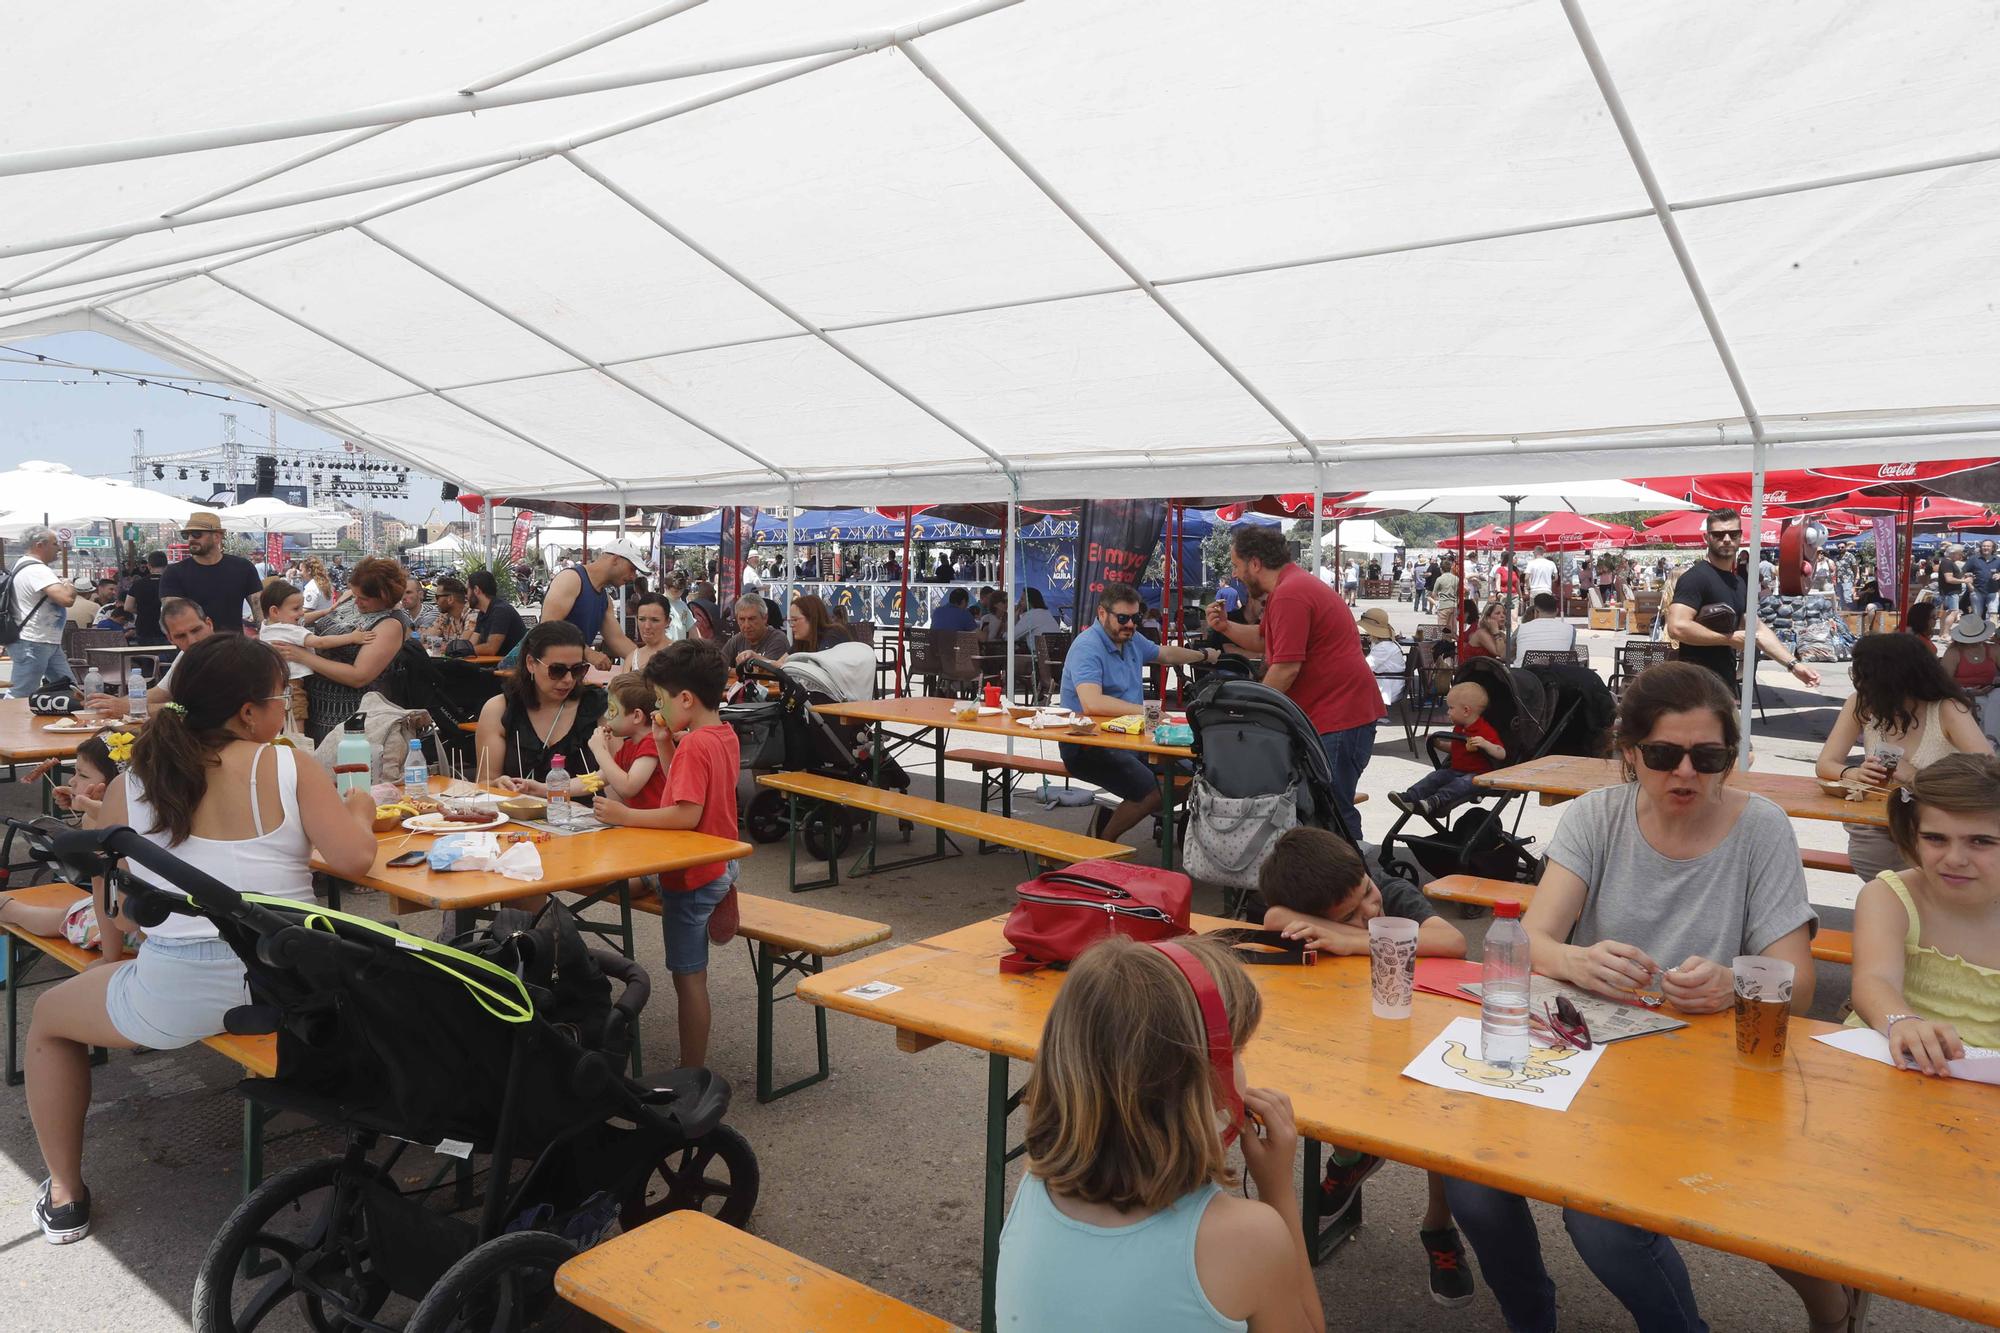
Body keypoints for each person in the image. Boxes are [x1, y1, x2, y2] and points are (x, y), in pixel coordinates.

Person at [1444, 661, 1839, 1333]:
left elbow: (1796, 983)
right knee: (1471, 1183)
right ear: (1629, 753)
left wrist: (1735, 984)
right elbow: (1529, 939)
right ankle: (1530, 1315)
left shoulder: (1761, 827)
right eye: (1662, 754)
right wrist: (1579, 958)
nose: (1685, 772)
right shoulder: (1599, 814)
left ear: (1731, 757)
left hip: (1703, 1074)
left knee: (1604, 1224)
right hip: (1592, 1053)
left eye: (1708, 756)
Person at [19, 634, 377, 1243]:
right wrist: (362, 808)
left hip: (180, 989)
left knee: (50, 1017)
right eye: (278, 697)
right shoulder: (288, 762)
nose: (285, 707)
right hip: (299, 983)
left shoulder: (134, 779)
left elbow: (126, 911)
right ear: (247, 712)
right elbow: (355, 858)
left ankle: (65, 1195)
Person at [993, 935, 1324, 1333]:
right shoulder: (1249, 1236)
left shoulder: (1034, 1185)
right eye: (1238, 1051)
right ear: (1201, 1084)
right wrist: (1278, 1191)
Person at [1255, 827, 1475, 1306]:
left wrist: (1352, 938)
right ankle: (1352, 1157)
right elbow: (1272, 916)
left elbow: (1452, 940)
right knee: (1316, 1072)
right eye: (1348, 916)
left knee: (1436, 1112)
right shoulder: (1313, 903)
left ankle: (1437, 1226)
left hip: (1415, 1026)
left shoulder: (1384, 888)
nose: (1370, 911)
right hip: (1345, 1036)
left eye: (1366, 897)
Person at [593, 641, 741, 1071]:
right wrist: (663, 744)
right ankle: (726, 886)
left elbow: (686, 814)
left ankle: (690, 1071)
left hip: (691, 873)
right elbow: (689, 786)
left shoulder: (695, 744)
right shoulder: (720, 734)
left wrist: (625, 815)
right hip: (716, 857)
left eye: (660, 701)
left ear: (686, 700)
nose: (657, 709)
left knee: (689, 978)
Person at [1204, 525, 1384, 840]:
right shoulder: (1290, 587)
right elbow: (1265, 640)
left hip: (1338, 718)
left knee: (1332, 813)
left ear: (1255, 564)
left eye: (1236, 565)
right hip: (1336, 717)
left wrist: (1250, 715)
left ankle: (1353, 882)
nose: (1235, 575)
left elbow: (1286, 668)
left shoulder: (1290, 594)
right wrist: (1225, 626)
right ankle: (1343, 881)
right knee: (1325, 810)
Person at [1846, 753, 2000, 1074]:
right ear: (1911, 834)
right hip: (1891, 1063)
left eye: (1981, 841)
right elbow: (1874, 979)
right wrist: (1901, 1020)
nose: (1955, 858)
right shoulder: (1890, 896)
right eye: (1935, 838)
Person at [1815, 631, 1993, 882]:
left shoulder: (1947, 709)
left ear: (1892, 678)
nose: (1859, 682)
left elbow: (1988, 773)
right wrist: (1854, 773)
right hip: (1880, 825)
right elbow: (1825, 764)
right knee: (1879, 864)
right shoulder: (1861, 704)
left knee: (1906, 885)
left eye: (1865, 675)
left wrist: (1916, 777)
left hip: (1938, 827)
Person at [1061, 582, 1220, 841]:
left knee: (1194, 775)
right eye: (1123, 618)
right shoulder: (1087, 646)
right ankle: (1100, 843)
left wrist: (1203, 655)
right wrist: (1146, 712)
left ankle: (1109, 822)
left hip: (1129, 739)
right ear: (1102, 614)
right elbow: (1092, 703)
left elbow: (1164, 653)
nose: (1131, 624)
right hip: (1086, 744)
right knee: (1151, 793)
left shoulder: (1131, 639)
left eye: (1135, 617)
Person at [1667, 508, 1823, 692]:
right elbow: (1677, 626)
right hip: (1695, 687)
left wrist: (1793, 664)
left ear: (1741, 537)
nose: (1726, 539)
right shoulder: (1695, 578)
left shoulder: (1738, 582)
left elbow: (1757, 630)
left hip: (1724, 683)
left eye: (1733, 534)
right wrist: (1729, 639)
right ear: (1706, 538)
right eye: (1718, 534)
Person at [279, 557, 412, 742]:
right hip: (315, 706)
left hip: (350, 717)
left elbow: (359, 676)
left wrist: (303, 657)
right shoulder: (351, 597)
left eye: (363, 598)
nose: (357, 601)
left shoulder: (390, 624)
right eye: (355, 595)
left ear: (384, 596)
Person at [481, 621, 609, 788]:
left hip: (586, 811)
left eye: (578, 669)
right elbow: (484, 783)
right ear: (531, 663)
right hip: (517, 810)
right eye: (557, 670)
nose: (568, 679)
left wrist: (553, 790)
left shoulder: (598, 707)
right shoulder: (499, 709)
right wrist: (498, 784)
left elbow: (612, 775)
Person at [257, 580, 377, 737]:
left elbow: (304, 619)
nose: (301, 613)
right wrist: (353, 637)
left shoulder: (267, 626)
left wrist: (326, 611)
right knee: (296, 729)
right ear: (275, 611)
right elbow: (320, 642)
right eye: (296, 609)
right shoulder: (291, 630)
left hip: (272, 686)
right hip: (292, 687)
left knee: (279, 730)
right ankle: (299, 755)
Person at [1390, 681, 1506, 818]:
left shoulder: (1484, 730)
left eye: (1451, 708)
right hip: (1455, 770)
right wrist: (1438, 744)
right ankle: (1410, 796)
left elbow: (1501, 753)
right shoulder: (1459, 727)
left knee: (1461, 784)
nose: (1448, 712)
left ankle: (1435, 801)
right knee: (1436, 776)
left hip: (1478, 776)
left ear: (1466, 711)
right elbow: (1455, 748)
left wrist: (1486, 744)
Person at [540, 540, 649, 670]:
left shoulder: (605, 599)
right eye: (632, 569)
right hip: (546, 672)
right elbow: (547, 629)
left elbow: (618, 640)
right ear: (616, 559)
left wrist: (652, 665)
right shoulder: (571, 579)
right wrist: (588, 653)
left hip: (568, 673)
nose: (633, 577)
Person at [6, 528, 81, 697]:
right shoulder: (37, 570)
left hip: (42, 640)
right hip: (33, 641)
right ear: (39, 545)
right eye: (55, 544)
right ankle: (7, 722)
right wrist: (69, 584)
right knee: (22, 692)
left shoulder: (20, 565)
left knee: (69, 689)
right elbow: (66, 599)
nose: (59, 548)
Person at [160, 511, 262, 633]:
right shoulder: (174, 572)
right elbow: (173, 617)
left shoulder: (243, 567)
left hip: (234, 647)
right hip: (195, 648)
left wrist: (265, 639)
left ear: (217, 537)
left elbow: (258, 607)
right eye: (187, 535)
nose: (191, 539)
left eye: (197, 534)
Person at [586, 672, 668, 809]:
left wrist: (600, 751)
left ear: (637, 716)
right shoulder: (628, 746)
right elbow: (598, 779)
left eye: (611, 710)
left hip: (660, 826)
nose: (606, 715)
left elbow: (628, 787)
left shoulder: (652, 742)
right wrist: (545, 788)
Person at [1940, 614, 2000, 741]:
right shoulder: (1954, 653)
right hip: (1962, 692)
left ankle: (1991, 740)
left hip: (1991, 691)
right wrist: (1968, 692)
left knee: (1997, 697)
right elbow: (1943, 683)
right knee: (1986, 706)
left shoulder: (1993, 650)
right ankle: (1991, 741)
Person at [467, 569, 527, 658]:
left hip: (508, 667)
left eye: (467, 590)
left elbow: (491, 649)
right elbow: (471, 643)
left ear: (476, 590)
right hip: (492, 665)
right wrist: (461, 650)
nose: (466, 595)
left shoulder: (501, 611)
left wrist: (462, 650)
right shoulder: (483, 613)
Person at [720, 593, 790, 666]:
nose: (746, 625)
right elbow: (718, 666)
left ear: (765, 618)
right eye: (742, 619)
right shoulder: (737, 640)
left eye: (751, 619)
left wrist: (730, 670)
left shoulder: (777, 639)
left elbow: (767, 672)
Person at [1510, 592, 1578, 664]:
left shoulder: (1521, 628)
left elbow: (1507, 653)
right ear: (1557, 611)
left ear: (1536, 612)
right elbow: (1570, 655)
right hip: (1558, 673)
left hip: (1526, 673)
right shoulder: (1570, 629)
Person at [1358, 607, 1406, 706]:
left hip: (1388, 686)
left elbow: (1365, 668)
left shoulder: (1384, 647)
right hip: (1389, 682)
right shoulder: (1385, 643)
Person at [124, 550, 167, 645]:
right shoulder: (170, 583)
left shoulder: (138, 584)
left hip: (144, 629)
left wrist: (142, 610)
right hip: (166, 628)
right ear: (166, 566)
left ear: (149, 566)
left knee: (147, 657)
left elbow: (127, 606)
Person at [784, 593, 849, 656]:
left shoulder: (833, 635)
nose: (791, 625)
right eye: (790, 621)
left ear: (812, 618)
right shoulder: (803, 641)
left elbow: (823, 665)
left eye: (795, 620)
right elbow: (780, 663)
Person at [627, 593, 673, 675]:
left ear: (667, 621)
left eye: (655, 620)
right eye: (642, 619)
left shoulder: (680, 655)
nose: (647, 626)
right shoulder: (632, 658)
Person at [1964, 538, 2000, 620]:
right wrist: (1970, 587)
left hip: (1993, 592)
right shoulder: (1974, 559)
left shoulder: (1998, 560)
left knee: (1993, 614)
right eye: (1984, 546)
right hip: (1977, 591)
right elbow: (1964, 573)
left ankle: (1992, 632)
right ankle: (1978, 632)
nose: (1985, 548)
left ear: (1993, 548)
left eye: (1988, 546)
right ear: (1981, 547)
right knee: (1977, 615)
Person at [298, 556, 339, 627]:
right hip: (327, 623)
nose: (300, 573)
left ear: (309, 571)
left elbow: (306, 610)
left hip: (315, 626)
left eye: (301, 570)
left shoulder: (311, 588)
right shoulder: (326, 583)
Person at [430, 576, 472, 645]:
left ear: (450, 599)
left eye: (437, 597)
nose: (435, 600)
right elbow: (426, 638)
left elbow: (462, 645)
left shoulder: (472, 614)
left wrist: (440, 644)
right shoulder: (445, 616)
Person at [1938, 544, 1969, 636]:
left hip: (1948, 591)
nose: (1961, 556)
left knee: (1947, 612)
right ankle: (1946, 633)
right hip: (1951, 592)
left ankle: (1942, 633)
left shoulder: (1947, 562)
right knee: (1954, 612)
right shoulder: (1947, 563)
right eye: (1960, 554)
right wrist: (1964, 580)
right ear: (1953, 553)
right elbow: (1949, 579)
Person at [660, 571, 698, 641]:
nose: (679, 594)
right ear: (665, 587)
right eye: (675, 591)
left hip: (679, 649)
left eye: (681, 590)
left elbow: (693, 630)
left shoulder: (683, 606)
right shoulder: (658, 604)